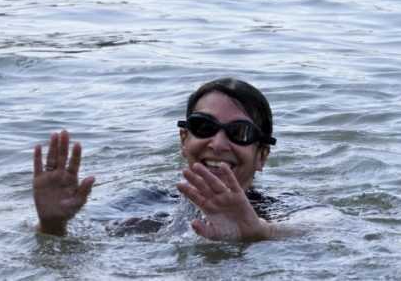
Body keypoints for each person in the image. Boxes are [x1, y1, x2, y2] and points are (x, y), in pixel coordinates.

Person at [32, 78, 288, 241]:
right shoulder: (145, 206)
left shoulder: (283, 213)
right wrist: (52, 225)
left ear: (261, 156)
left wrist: (260, 233)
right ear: (184, 140)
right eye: (203, 126)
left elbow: (315, 232)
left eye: (239, 133)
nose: (218, 144)